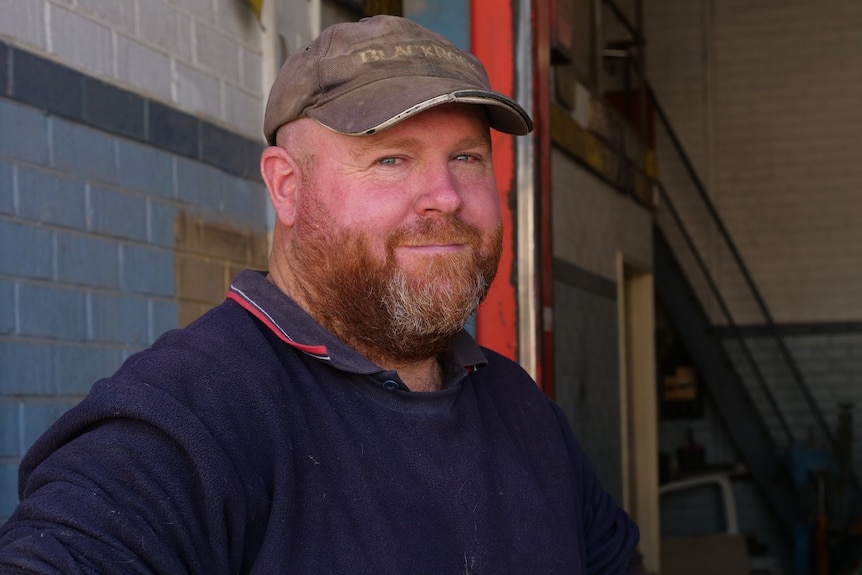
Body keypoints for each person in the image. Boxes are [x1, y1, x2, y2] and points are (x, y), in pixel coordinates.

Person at [0, 14, 639, 574]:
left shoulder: (524, 412)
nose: (445, 196)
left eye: (468, 157)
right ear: (286, 186)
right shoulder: (185, 425)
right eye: (392, 159)